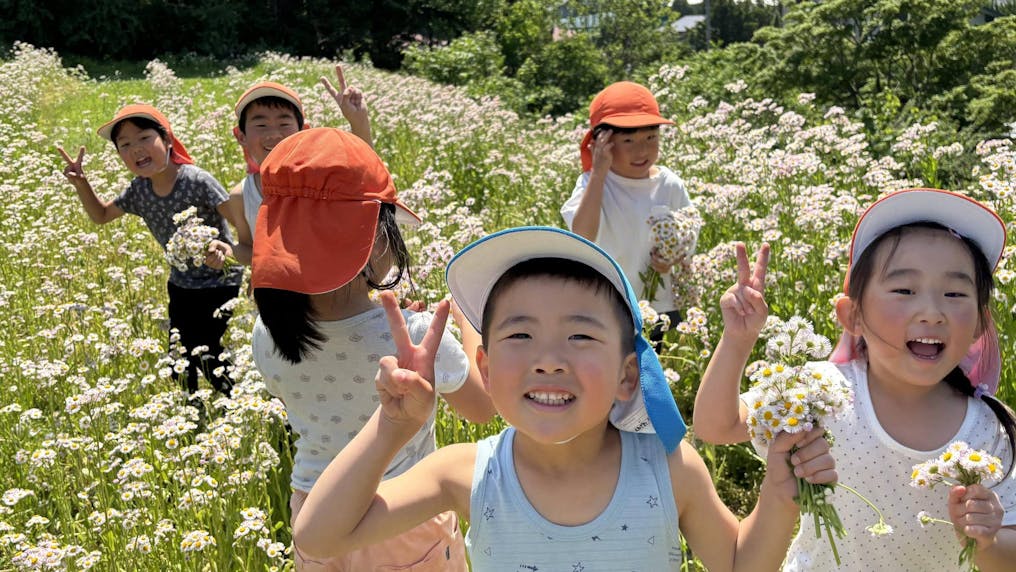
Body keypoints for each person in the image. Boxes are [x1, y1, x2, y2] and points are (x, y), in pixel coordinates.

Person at [293, 225, 837, 571]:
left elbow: (740, 564)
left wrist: (778, 491)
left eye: (580, 335)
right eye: (520, 335)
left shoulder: (668, 468)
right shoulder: (465, 473)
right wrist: (391, 428)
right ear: (483, 367)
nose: (548, 359)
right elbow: (320, 536)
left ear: (629, 377)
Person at [694, 188, 1016, 571]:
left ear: (981, 322)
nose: (932, 311)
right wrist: (737, 340)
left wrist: (986, 538)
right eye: (904, 290)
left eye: (954, 293)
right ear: (852, 316)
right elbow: (716, 426)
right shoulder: (818, 391)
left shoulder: (989, 430)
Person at [249, 127, 494, 571]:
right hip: (401, 513)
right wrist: (469, 324)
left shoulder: (266, 332)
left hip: (315, 510)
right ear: (375, 238)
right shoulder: (420, 335)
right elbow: (481, 407)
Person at [57, 104, 241, 398]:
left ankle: (240, 402)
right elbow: (101, 215)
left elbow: (241, 228)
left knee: (206, 351)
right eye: (125, 145)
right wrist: (81, 183)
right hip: (181, 284)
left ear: (167, 140)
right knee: (178, 358)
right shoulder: (139, 191)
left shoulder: (197, 181)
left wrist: (227, 255)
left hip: (221, 281)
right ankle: (191, 413)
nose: (136, 149)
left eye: (144, 138)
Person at [560, 81, 697, 341]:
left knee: (659, 377)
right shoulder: (592, 183)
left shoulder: (670, 184)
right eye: (628, 141)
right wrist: (599, 173)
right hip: (608, 307)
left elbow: (689, 237)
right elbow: (582, 235)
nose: (642, 150)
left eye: (651, 137)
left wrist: (672, 260)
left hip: (661, 308)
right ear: (603, 142)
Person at [228, 66, 372, 265]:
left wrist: (359, 121)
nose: (274, 134)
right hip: (276, 294)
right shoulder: (241, 196)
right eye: (261, 125)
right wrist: (230, 251)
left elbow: (365, 173)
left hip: (328, 291)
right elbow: (248, 248)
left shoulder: (321, 179)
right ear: (241, 136)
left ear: (304, 131)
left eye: (284, 124)